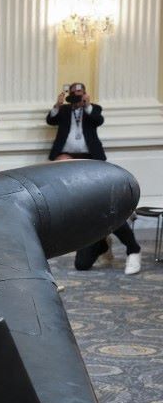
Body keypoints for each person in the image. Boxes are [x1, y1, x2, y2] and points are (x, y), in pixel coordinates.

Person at [48, 82, 141, 274]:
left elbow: (98, 120)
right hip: (68, 159)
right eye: (73, 93)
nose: (76, 96)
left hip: (92, 159)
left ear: (85, 94)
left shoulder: (93, 108)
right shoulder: (64, 110)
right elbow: (51, 120)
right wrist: (57, 105)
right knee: (81, 265)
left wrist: (87, 105)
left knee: (104, 206)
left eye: (79, 93)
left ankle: (133, 249)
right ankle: (102, 244)